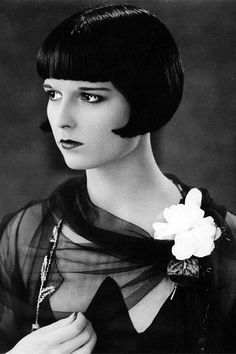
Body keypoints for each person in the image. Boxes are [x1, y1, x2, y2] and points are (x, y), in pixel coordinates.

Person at [0, 3, 235, 353]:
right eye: (53, 94)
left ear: (145, 95)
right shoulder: (25, 236)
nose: (61, 118)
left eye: (90, 96)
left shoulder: (225, 241)